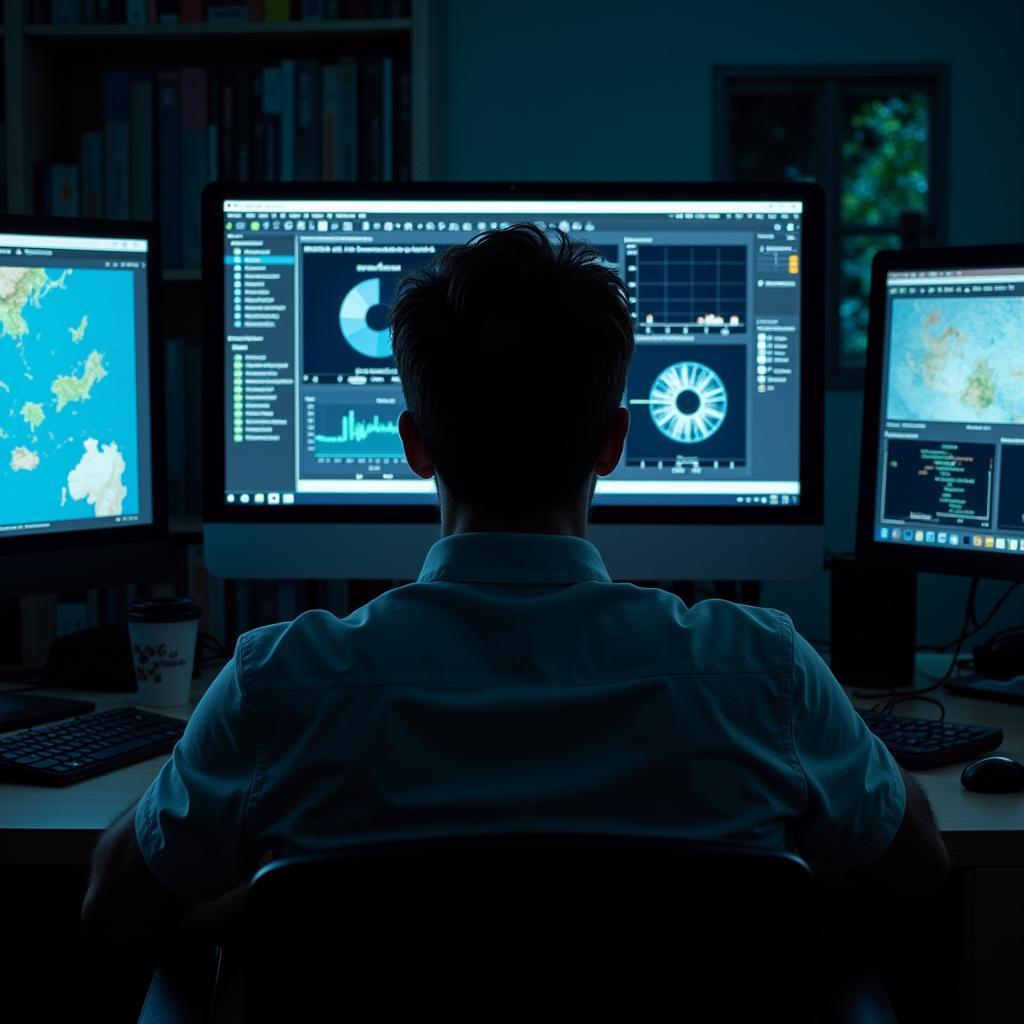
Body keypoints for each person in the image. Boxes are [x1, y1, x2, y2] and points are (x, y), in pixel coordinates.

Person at [82, 224, 947, 952]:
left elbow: (114, 908)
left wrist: (256, 902)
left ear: (415, 446)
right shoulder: (762, 671)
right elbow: (915, 870)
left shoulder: (279, 685)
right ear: (614, 442)